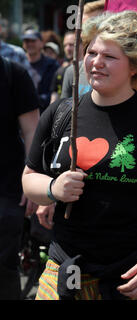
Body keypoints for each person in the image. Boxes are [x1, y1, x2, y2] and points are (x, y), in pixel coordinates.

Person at [21, 10, 137, 300]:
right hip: (66, 270)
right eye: (92, 52)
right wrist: (53, 189)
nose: (96, 63)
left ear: (134, 66)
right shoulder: (61, 113)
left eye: (110, 57)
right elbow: (30, 178)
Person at [0, 56, 40, 299]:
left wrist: (31, 177)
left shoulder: (12, 73)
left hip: (6, 189)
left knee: (3, 268)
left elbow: (32, 129)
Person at [61, 0, 106, 99]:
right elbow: (62, 111)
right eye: (83, 27)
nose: (83, 34)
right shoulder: (72, 72)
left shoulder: (125, 72)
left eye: (93, 26)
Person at [22, 29, 60, 112]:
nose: (30, 44)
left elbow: (56, 90)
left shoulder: (52, 65)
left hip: (44, 113)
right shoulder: (19, 63)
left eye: (33, 41)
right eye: (27, 41)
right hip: (22, 113)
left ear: (42, 43)